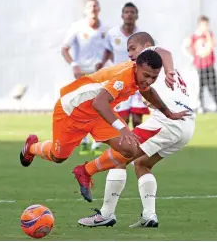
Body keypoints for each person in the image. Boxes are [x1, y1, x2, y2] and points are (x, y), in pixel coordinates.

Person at [74, 32, 195, 228]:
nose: (129, 53)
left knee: (123, 154)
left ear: (146, 45)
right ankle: (149, 215)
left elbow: (164, 51)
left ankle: (105, 212)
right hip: (186, 124)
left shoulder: (151, 56)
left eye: (132, 48)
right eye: (128, 49)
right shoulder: (148, 72)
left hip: (167, 122)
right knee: (141, 164)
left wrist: (170, 70)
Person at [20, 49, 188, 189]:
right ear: (136, 67)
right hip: (71, 111)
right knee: (58, 157)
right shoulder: (123, 78)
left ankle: (84, 171)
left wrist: (168, 113)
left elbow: (147, 91)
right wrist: (122, 129)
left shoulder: (138, 75)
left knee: (130, 149)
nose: (149, 81)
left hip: (99, 114)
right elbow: (99, 102)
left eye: (154, 77)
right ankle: (32, 147)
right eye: (146, 75)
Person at [61, 0, 107, 155]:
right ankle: (84, 141)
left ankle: (96, 143)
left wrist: (104, 62)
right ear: (85, 10)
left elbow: (109, 49)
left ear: (99, 9)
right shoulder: (77, 27)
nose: (93, 8)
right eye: (90, 6)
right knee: (83, 107)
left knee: (99, 106)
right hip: (82, 72)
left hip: (99, 73)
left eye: (95, 6)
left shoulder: (105, 29)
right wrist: (74, 64)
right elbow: (64, 49)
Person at [97, 2, 149, 128]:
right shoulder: (112, 34)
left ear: (137, 16)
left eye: (132, 12)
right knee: (122, 118)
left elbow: (150, 53)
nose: (129, 15)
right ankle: (124, 146)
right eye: (126, 12)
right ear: (122, 15)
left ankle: (137, 146)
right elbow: (108, 50)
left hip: (137, 80)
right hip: (120, 81)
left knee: (137, 119)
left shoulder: (142, 35)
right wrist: (101, 63)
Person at [182, 15, 217, 113]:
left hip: (209, 65)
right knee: (198, 88)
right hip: (199, 67)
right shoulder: (194, 36)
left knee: (213, 87)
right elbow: (184, 47)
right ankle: (200, 107)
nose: (206, 27)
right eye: (204, 24)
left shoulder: (209, 35)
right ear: (199, 25)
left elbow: (211, 46)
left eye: (207, 25)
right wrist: (192, 57)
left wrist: (208, 35)